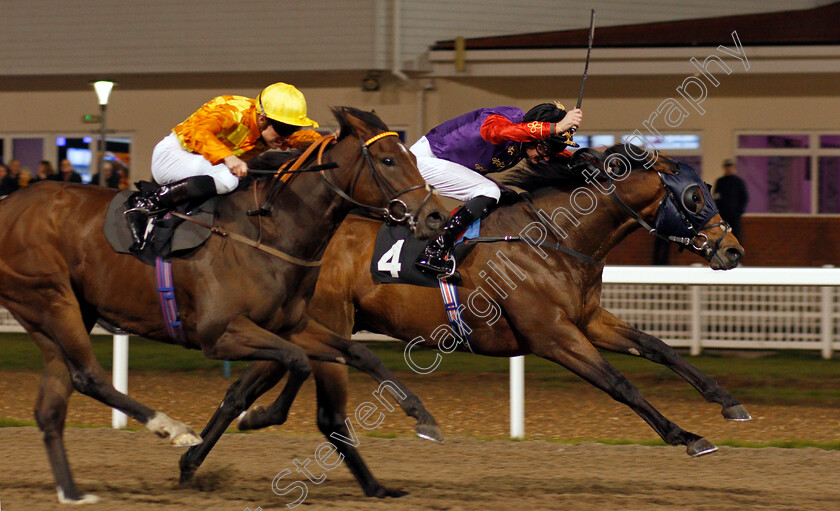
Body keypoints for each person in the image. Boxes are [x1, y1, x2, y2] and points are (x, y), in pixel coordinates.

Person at [125, 82, 322, 252]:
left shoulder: (270, 128)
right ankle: (147, 205)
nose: (288, 136)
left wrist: (329, 141)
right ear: (262, 119)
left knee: (232, 179)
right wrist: (228, 157)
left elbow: (301, 139)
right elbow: (199, 132)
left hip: (201, 166)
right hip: (173, 157)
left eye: (293, 128)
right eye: (285, 130)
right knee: (228, 179)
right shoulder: (232, 112)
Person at [410, 102, 583, 277]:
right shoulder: (502, 120)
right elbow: (494, 133)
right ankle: (434, 250)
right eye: (544, 149)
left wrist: (598, 162)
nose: (545, 157)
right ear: (533, 135)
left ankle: (462, 248)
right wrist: (556, 127)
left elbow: (563, 157)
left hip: (443, 163)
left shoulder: (531, 145)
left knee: (506, 196)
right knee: (490, 191)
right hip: (423, 160)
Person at [713, 158, 749, 241]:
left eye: (731, 166)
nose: (729, 168)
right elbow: (716, 197)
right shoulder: (720, 181)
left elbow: (744, 197)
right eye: (727, 166)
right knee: (722, 234)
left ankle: (736, 252)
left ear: (734, 168)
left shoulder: (738, 182)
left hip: (735, 215)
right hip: (723, 215)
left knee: (736, 235)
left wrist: (739, 211)